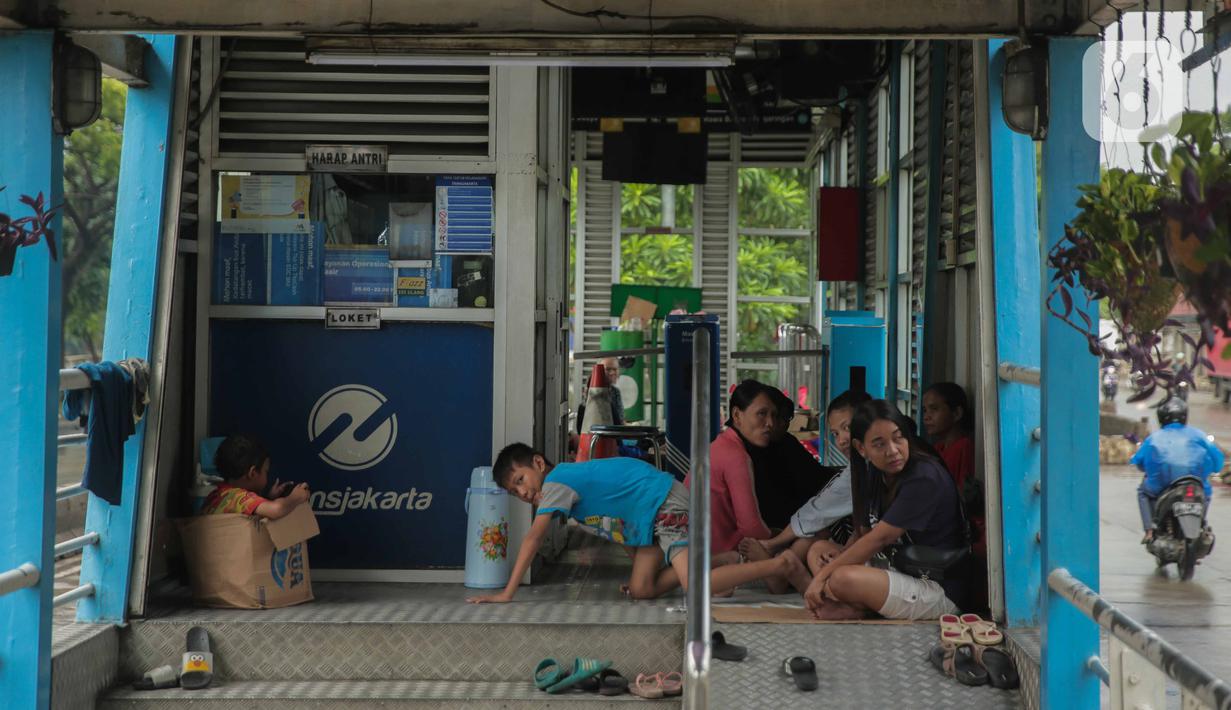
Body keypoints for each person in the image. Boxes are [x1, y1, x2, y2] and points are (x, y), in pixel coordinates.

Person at [466, 444, 810, 603]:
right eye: (515, 491)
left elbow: (532, 540)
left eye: (522, 480)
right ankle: (723, 561)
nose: (524, 492)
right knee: (643, 589)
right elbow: (621, 524)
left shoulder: (556, 483)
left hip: (664, 505)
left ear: (539, 464)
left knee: (696, 589)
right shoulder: (566, 490)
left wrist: (506, 594)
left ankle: (780, 562)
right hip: (650, 514)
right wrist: (637, 568)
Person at [803, 400, 970, 621]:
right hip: (898, 568)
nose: (893, 450)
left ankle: (860, 607)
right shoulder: (875, 472)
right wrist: (838, 558)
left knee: (841, 577)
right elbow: (864, 534)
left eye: (898, 437)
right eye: (879, 444)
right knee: (819, 550)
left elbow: (879, 539)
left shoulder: (924, 477)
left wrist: (822, 577)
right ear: (861, 448)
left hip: (937, 588)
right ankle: (859, 605)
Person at [739, 390, 870, 594]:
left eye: (848, 428)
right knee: (817, 541)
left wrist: (772, 543)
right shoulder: (737, 453)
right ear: (738, 415)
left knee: (818, 533)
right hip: (858, 544)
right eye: (836, 433)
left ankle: (791, 574)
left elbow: (875, 532)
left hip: (889, 558)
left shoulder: (873, 468)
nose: (772, 423)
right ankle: (786, 571)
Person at [1131, 397, 1224, 543]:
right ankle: (1201, 524)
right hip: (1197, 485)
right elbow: (1218, 460)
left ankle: (1149, 531)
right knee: (1206, 495)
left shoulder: (1154, 438)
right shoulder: (1199, 435)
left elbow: (1138, 461)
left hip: (1163, 486)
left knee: (1143, 492)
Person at [201, 434, 310, 519]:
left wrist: (269, 498)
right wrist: (295, 498)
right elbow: (277, 509)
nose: (267, 475)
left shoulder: (216, 495)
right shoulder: (238, 497)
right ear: (252, 473)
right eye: (265, 471)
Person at [921, 382, 975, 492]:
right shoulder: (938, 448)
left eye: (934, 409)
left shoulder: (964, 447)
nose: (926, 417)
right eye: (925, 410)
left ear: (956, 413)